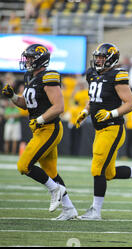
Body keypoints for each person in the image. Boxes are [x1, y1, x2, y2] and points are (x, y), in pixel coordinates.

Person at [75, 43, 132, 220]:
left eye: (102, 57)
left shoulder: (117, 75)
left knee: (97, 168)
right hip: (100, 128)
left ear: (111, 59)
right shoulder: (92, 74)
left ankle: (95, 211)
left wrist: (110, 114)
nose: (98, 60)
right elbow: (93, 98)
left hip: (113, 128)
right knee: (108, 173)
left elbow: (130, 104)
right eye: (97, 57)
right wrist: (85, 111)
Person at [1, 44, 77, 220]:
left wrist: (41, 119)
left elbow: (59, 107)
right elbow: (27, 105)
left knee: (24, 166)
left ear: (40, 60)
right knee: (51, 172)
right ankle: (69, 209)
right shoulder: (29, 76)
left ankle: (55, 189)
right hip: (39, 129)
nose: (27, 61)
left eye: (30, 58)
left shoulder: (48, 77)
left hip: (49, 128)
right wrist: (12, 97)